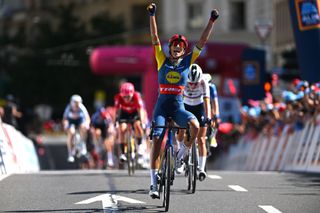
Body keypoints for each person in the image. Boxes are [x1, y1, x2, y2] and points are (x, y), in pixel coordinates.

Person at [147, 2, 219, 198]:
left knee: (195, 124)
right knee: (156, 142)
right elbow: (154, 37)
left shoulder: (188, 61)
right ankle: (153, 184)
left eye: (180, 46)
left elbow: (203, 41)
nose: (177, 48)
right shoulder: (161, 59)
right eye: (174, 46)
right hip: (162, 108)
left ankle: (182, 154)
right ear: (170, 48)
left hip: (179, 107)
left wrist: (211, 21)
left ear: (183, 50)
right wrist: (152, 16)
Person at [176, 64, 212, 181]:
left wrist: (209, 117)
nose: (192, 85)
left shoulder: (203, 82)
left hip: (199, 107)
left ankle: (201, 169)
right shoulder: (183, 80)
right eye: (190, 83)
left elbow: (207, 102)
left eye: (194, 83)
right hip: (186, 106)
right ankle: (180, 158)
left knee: (201, 139)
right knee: (181, 131)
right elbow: (178, 99)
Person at [114, 82, 145, 163]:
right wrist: (115, 122)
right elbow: (117, 111)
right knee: (122, 129)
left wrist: (142, 121)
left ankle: (140, 146)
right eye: (124, 97)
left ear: (132, 93)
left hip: (134, 113)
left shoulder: (137, 96)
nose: (126, 99)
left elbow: (140, 110)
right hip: (124, 114)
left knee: (137, 125)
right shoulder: (118, 98)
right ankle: (123, 153)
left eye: (128, 97)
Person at [62, 94, 90, 163]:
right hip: (71, 121)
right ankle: (70, 153)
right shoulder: (68, 107)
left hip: (80, 120)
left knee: (84, 127)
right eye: (76, 102)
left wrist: (87, 124)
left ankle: (83, 145)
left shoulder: (82, 107)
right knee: (71, 132)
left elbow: (87, 118)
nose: (77, 104)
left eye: (78, 102)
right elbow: (65, 119)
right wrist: (65, 125)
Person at [203, 73, 221, 148]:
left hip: (209, 103)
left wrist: (216, 116)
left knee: (214, 117)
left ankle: (213, 136)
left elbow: (215, 102)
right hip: (200, 103)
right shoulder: (200, 85)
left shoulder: (212, 87)